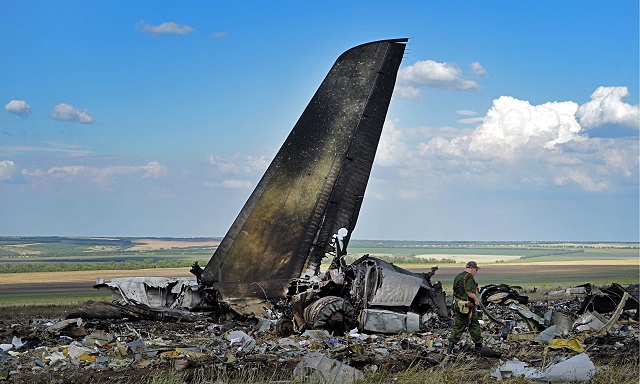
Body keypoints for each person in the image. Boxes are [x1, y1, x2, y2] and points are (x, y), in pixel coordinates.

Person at [447, 261, 483, 355]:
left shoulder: (458, 276)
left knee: (458, 325)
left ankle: (450, 348)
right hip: (467, 306)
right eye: (476, 270)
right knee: (474, 324)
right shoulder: (469, 277)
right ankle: (478, 347)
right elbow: (469, 292)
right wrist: (476, 300)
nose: (476, 272)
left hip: (458, 304)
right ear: (472, 268)